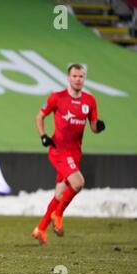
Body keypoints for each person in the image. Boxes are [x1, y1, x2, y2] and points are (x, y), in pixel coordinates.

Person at [32, 64, 106, 245]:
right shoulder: (57, 97)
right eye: (74, 76)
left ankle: (40, 229)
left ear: (84, 79)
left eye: (81, 76)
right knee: (78, 182)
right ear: (68, 78)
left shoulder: (89, 100)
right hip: (58, 150)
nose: (78, 79)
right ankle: (58, 214)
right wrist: (43, 136)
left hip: (75, 153)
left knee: (59, 194)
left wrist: (99, 127)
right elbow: (39, 116)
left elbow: (93, 127)